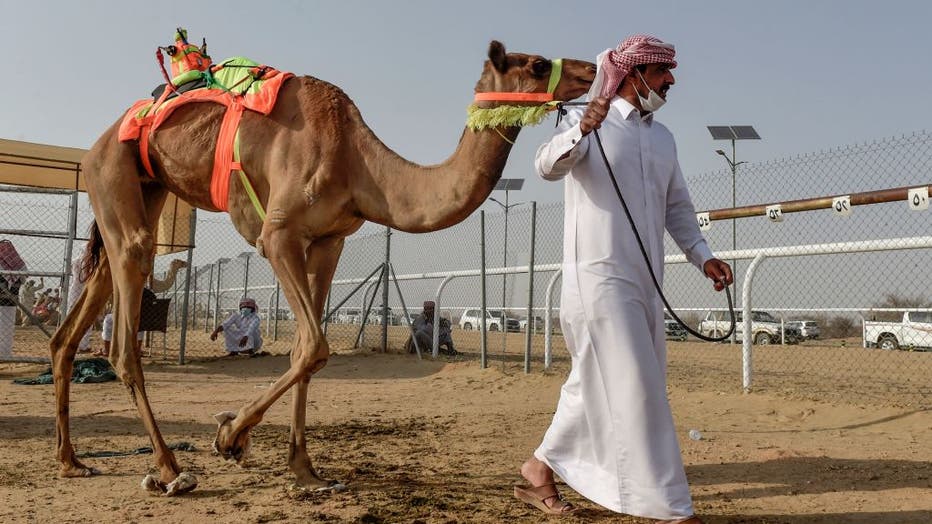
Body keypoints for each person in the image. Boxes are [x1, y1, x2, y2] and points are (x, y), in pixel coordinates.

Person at [515, 35, 733, 523]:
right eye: (660, 72)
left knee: (594, 381)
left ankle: (538, 469)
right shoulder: (585, 122)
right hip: (598, 280)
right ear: (632, 75)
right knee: (638, 387)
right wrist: (581, 130)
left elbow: (677, 207)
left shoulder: (663, 139)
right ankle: (671, 508)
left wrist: (703, 257)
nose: (670, 81)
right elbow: (545, 165)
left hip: (646, 282)